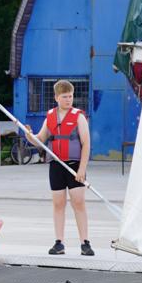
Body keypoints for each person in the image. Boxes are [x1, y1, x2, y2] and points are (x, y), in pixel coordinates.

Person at [25, 80, 94, 257]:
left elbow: (86, 144)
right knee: (58, 204)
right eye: (64, 97)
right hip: (56, 165)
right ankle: (59, 243)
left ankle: (85, 243)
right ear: (56, 98)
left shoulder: (79, 116)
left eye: (70, 96)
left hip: (75, 166)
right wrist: (29, 136)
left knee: (78, 202)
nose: (68, 100)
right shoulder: (50, 116)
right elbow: (40, 139)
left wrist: (82, 169)